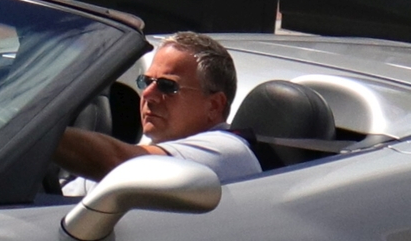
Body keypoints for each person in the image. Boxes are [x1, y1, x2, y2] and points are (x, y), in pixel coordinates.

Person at [54, 31, 262, 191]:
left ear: (214, 105)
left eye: (167, 86)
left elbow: (119, 164)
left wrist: (35, 131)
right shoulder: (148, 150)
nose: (147, 94)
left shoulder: (228, 150)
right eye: (145, 82)